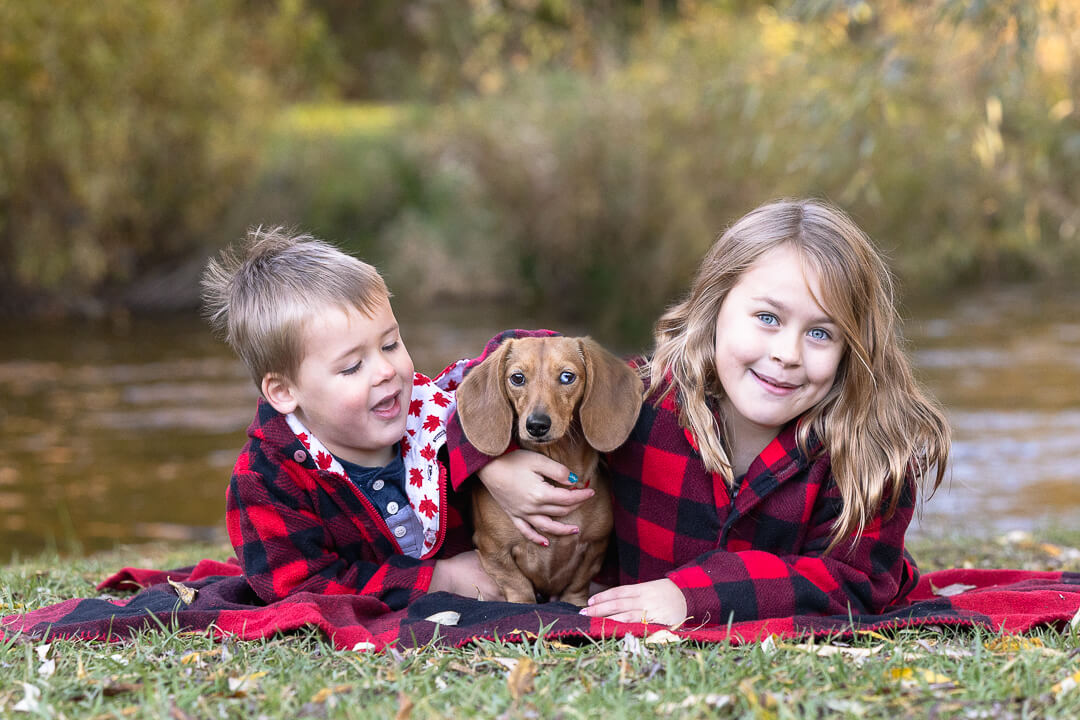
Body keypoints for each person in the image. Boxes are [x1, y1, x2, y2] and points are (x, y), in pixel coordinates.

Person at [446, 199, 950, 626]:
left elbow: (855, 583)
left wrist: (690, 596)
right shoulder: (644, 403)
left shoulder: (869, 451)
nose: (788, 354)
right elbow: (503, 366)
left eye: (820, 332)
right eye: (768, 318)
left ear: (854, 348)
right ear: (713, 309)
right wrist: (492, 463)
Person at [201, 226, 501, 609]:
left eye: (391, 344)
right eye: (352, 367)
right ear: (284, 392)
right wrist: (439, 579)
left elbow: (521, 362)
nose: (385, 371)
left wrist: (495, 463)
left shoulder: (436, 413)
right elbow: (301, 587)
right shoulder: (266, 480)